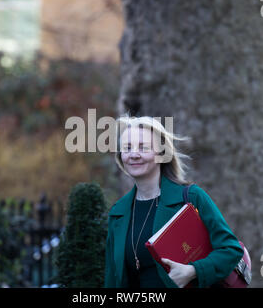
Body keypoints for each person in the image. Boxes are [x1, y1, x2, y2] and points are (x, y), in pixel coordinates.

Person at [104, 114, 244, 288]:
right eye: (127, 148)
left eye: (143, 147)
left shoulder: (192, 197)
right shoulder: (118, 212)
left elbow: (231, 250)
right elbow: (112, 279)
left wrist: (193, 271)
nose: (133, 154)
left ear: (161, 153)